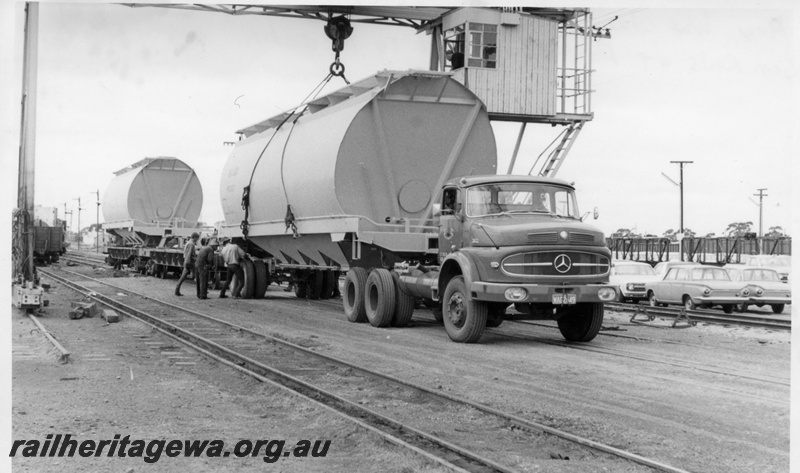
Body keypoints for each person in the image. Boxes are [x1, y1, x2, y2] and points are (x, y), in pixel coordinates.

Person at [174, 232, 199, 296]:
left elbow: (186, 254)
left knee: (182, 277)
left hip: (187, 261)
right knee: (197, 276)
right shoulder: (191, 244)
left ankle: (177, 291)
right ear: (195, 237)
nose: (197, 240)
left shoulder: (188, 243)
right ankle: (201, 292)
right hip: (190, 262)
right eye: (197, 238)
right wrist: (191, 261)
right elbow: (189, 254)